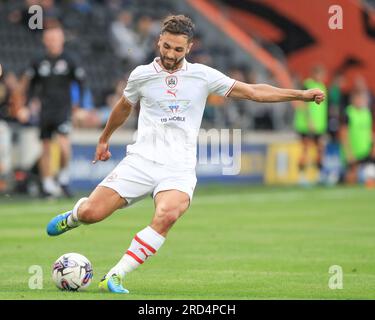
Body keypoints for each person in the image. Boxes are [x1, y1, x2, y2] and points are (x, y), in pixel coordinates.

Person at [46, 15, 325, 294]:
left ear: (189, 48)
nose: (170, 54)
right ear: (159, 41)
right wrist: (104, 139)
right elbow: (123, 106)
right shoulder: (141, 75)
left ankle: (115, 276)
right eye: (166, 46)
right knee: (92, 213)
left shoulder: (202, 76)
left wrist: (300, 95)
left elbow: (254, 92)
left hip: (178, 168)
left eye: (178, 49)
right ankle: (73, 216)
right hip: (141, 161)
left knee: (167, 215)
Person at [19, 23, 85, 197]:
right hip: (45, 110)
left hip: (63, 108)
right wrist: (27, 106)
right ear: (45, 40)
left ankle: (62, 178)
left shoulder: (70, 59)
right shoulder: (38, 60)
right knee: (46, 146)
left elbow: (81, 83)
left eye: (56, 38)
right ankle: (47, 184)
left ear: (62, 39)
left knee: (64, 145)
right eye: (50, 38)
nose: (53, 41)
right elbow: (31, 86)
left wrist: (79, 106)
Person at [294, 65, 328, 183]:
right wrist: (309, 121)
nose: (321, 77)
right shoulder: (307, 85)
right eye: (319, 74)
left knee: (320, 150)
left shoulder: (322, 86)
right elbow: (303, 104)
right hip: (306, 125)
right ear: (314, 74)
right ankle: (301, 176)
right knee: (305, 150)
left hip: (319, 125)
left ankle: (319, 175)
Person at [340, 88, 375, 186]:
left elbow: (369, 132)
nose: (361, 101)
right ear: (353, 99)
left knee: (368, 178)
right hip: (353, 151)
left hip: (365, 150)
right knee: (351, 178)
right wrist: (348, 152)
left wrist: (373, 145)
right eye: (358, 98)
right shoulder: (348, 113)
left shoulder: (367, 113)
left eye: (363, 99)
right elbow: (343, 134)